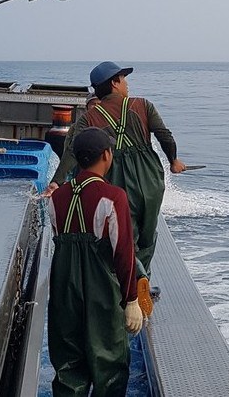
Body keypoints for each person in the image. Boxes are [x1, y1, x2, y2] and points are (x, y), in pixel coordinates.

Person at [45, 61, 186, 315]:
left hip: (115, 176)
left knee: (123, 235)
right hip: (149, 178)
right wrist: (174, 161)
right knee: (148, 233)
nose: (127, 83)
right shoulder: (143, 106)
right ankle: (144, 281)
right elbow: (165, 136)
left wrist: (57, 180)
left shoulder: (89, 118)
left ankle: (129, 283)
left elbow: (71, 153)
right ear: (114, 83)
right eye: (123, 78)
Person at [47, 127, 143, 396]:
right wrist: (132, 300)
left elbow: (59, 236)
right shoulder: (114, 197)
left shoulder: (57, 197)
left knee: (68, 365)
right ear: (106, 155)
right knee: (109, 363)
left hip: (64, 290)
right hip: (102, 292)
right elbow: (124, 254)